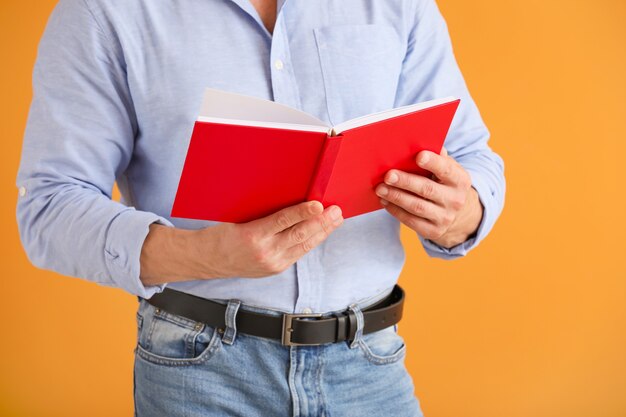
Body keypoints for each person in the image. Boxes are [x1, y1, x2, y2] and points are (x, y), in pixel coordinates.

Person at [16, 0, 505, 415]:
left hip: (370, 365)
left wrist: (461, 214)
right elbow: (49, 205)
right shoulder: (106, 10)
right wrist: (202, 255)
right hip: (199, 371)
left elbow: (471, 156)